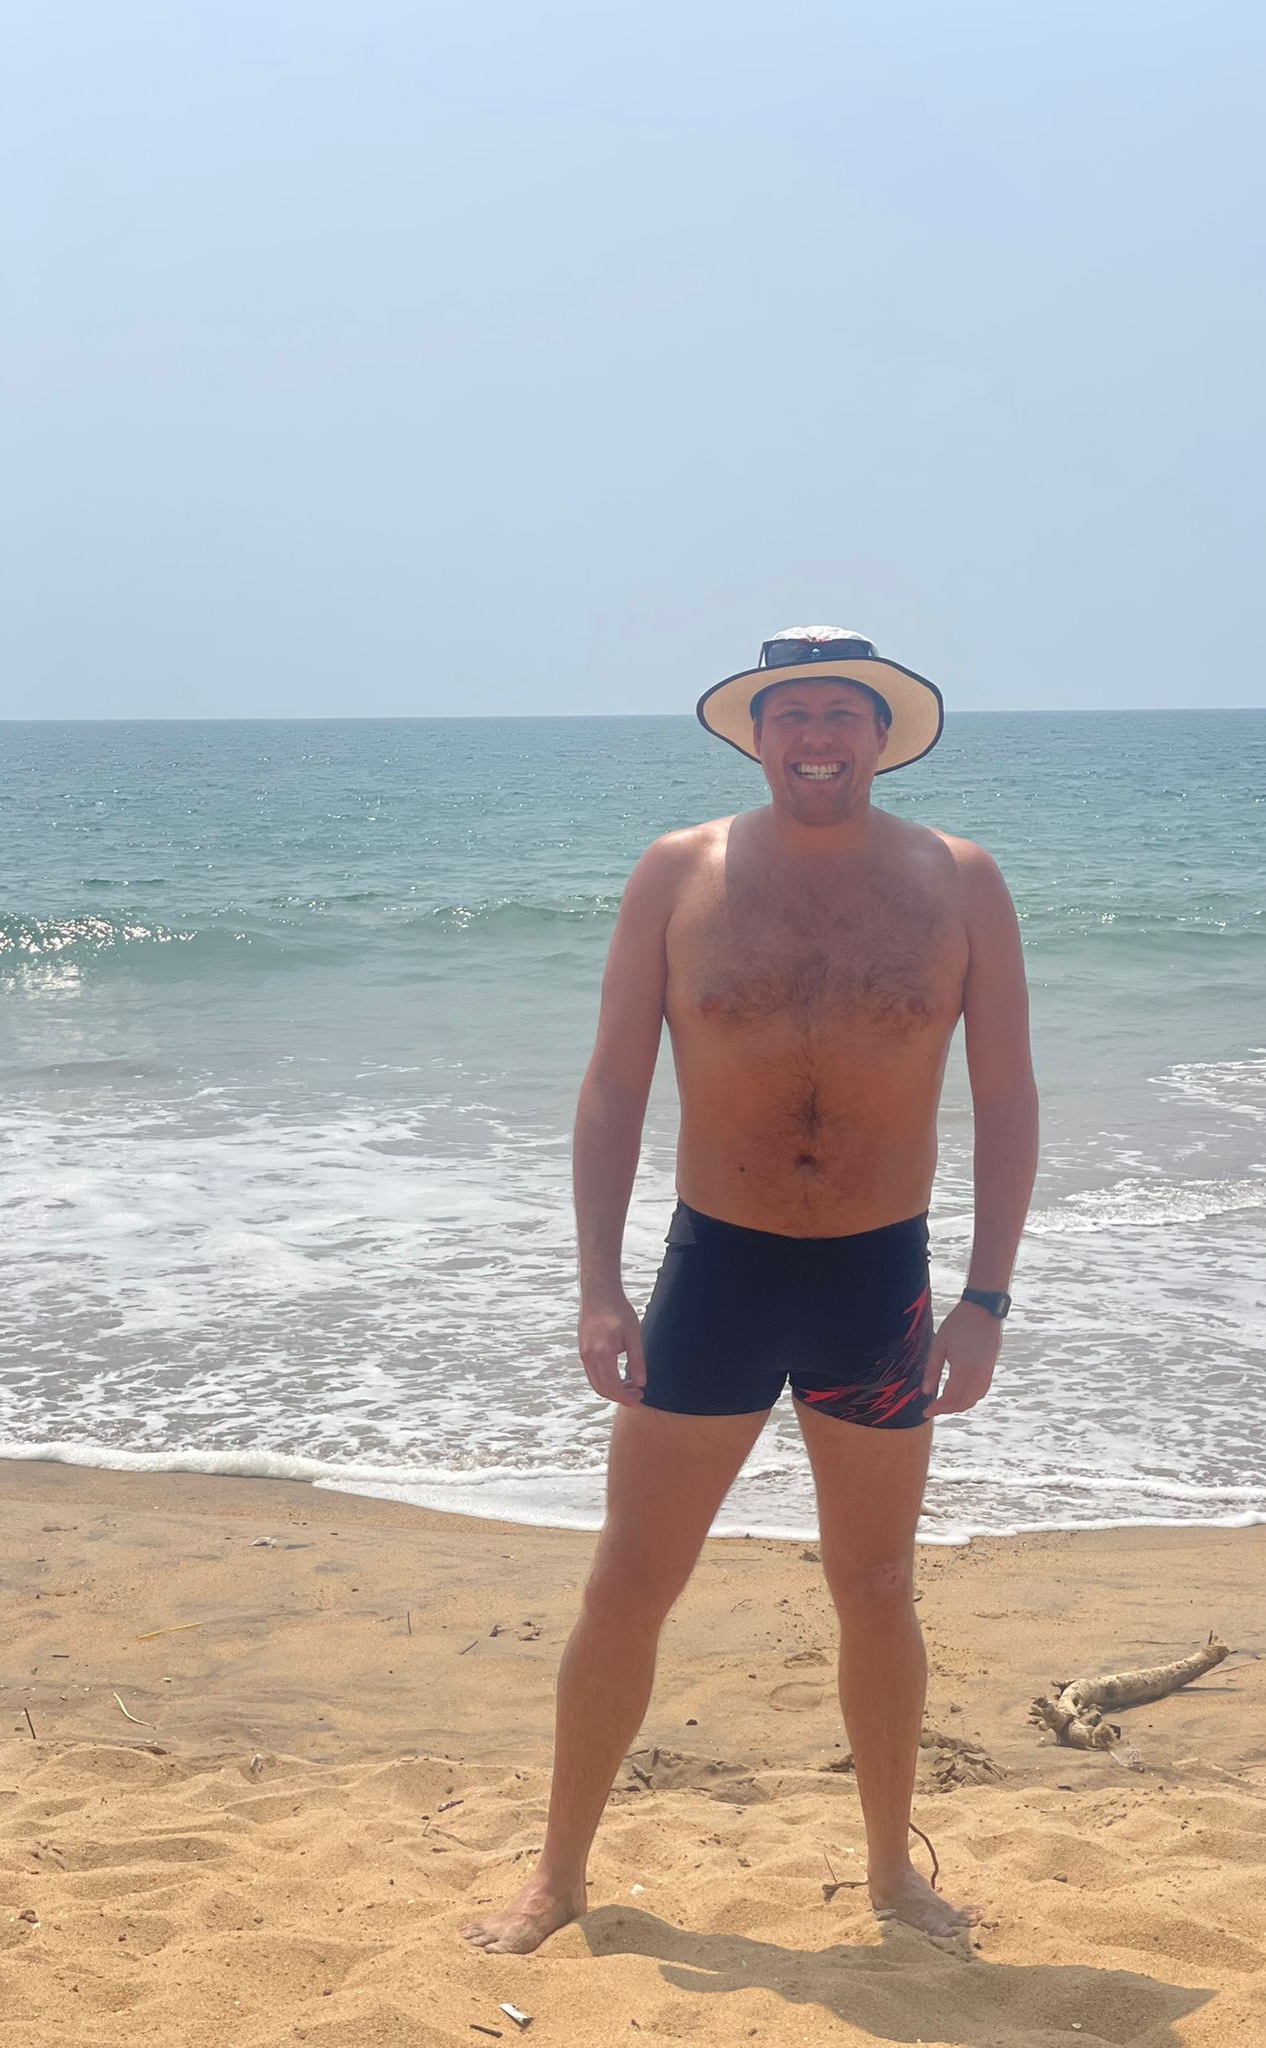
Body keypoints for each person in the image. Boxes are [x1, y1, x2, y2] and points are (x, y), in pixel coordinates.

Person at [462, 626, 1038, 1953]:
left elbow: (1007, 1096)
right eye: (792, 715)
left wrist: (986, 1298)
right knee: (629, 1581)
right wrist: (598, 1284)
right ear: (757, 736)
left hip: (877, 1282)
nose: (816, 738)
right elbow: (614, 1084)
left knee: (876, 1584)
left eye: (841, 713)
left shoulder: (960, 883)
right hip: (717, 1270)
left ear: (880, 736)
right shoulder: (680, 873)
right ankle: (558, 1876)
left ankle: (892, 1875)